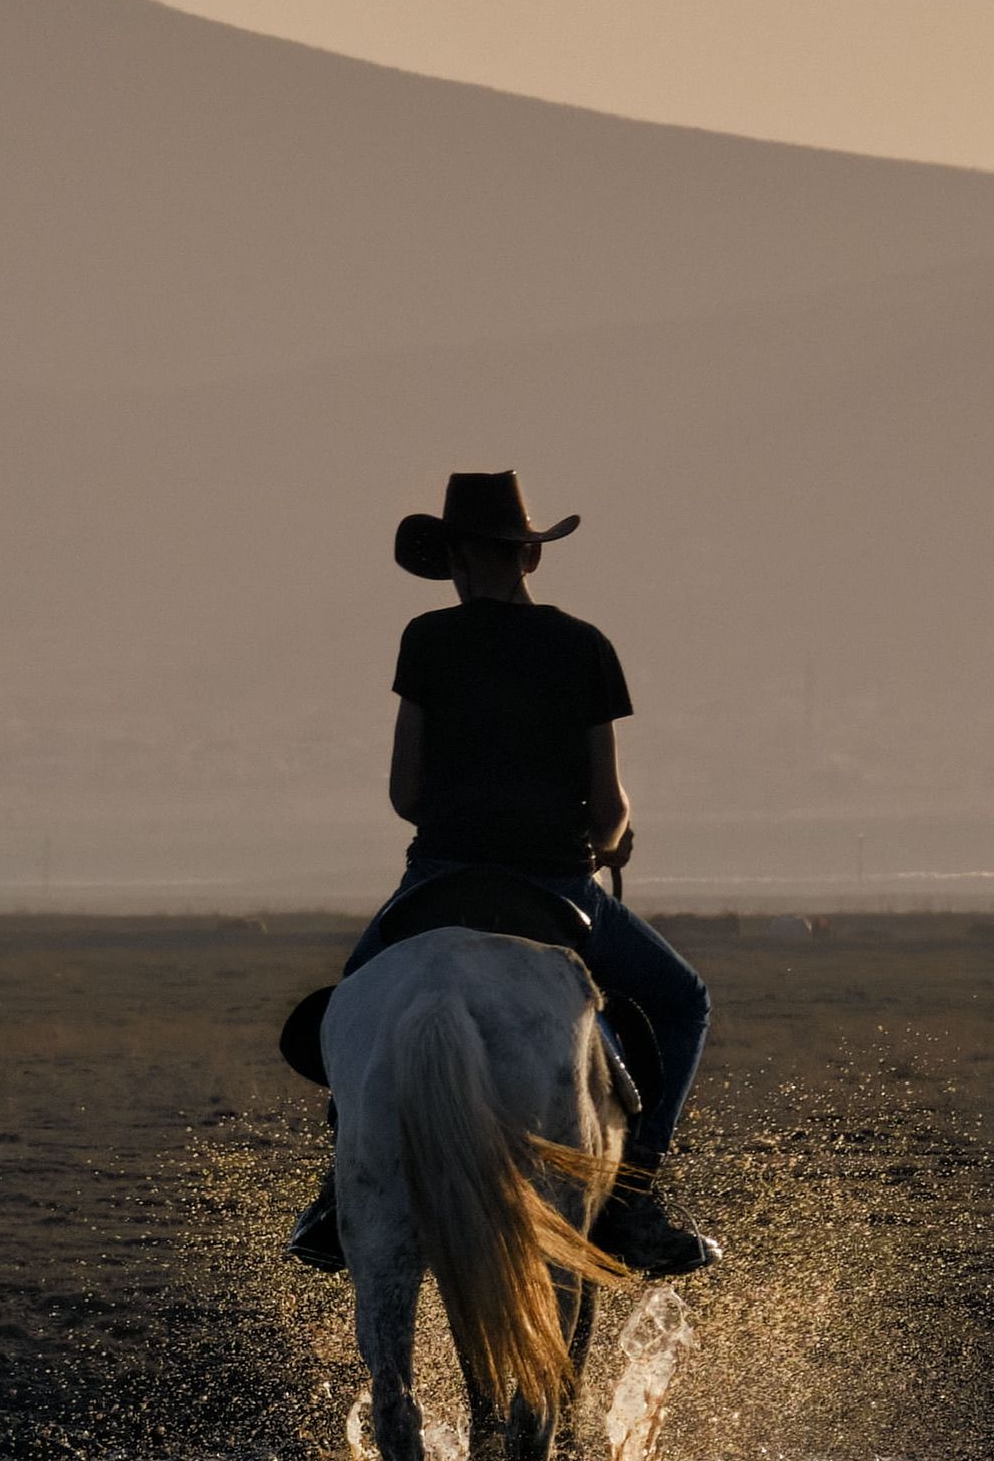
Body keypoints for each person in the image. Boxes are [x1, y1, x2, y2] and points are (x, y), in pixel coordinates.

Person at [288, 470, 720, 1282]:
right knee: (681, 1003)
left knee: (348, 1014)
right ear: (530, 558)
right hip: (553, 884)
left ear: (453, 558)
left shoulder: (425, 639)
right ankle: (631, 1198)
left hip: (438, 880)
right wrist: (611, 841)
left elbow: (404, 793)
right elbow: (608, 803)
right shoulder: (584, 645)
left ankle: (335, 1198)